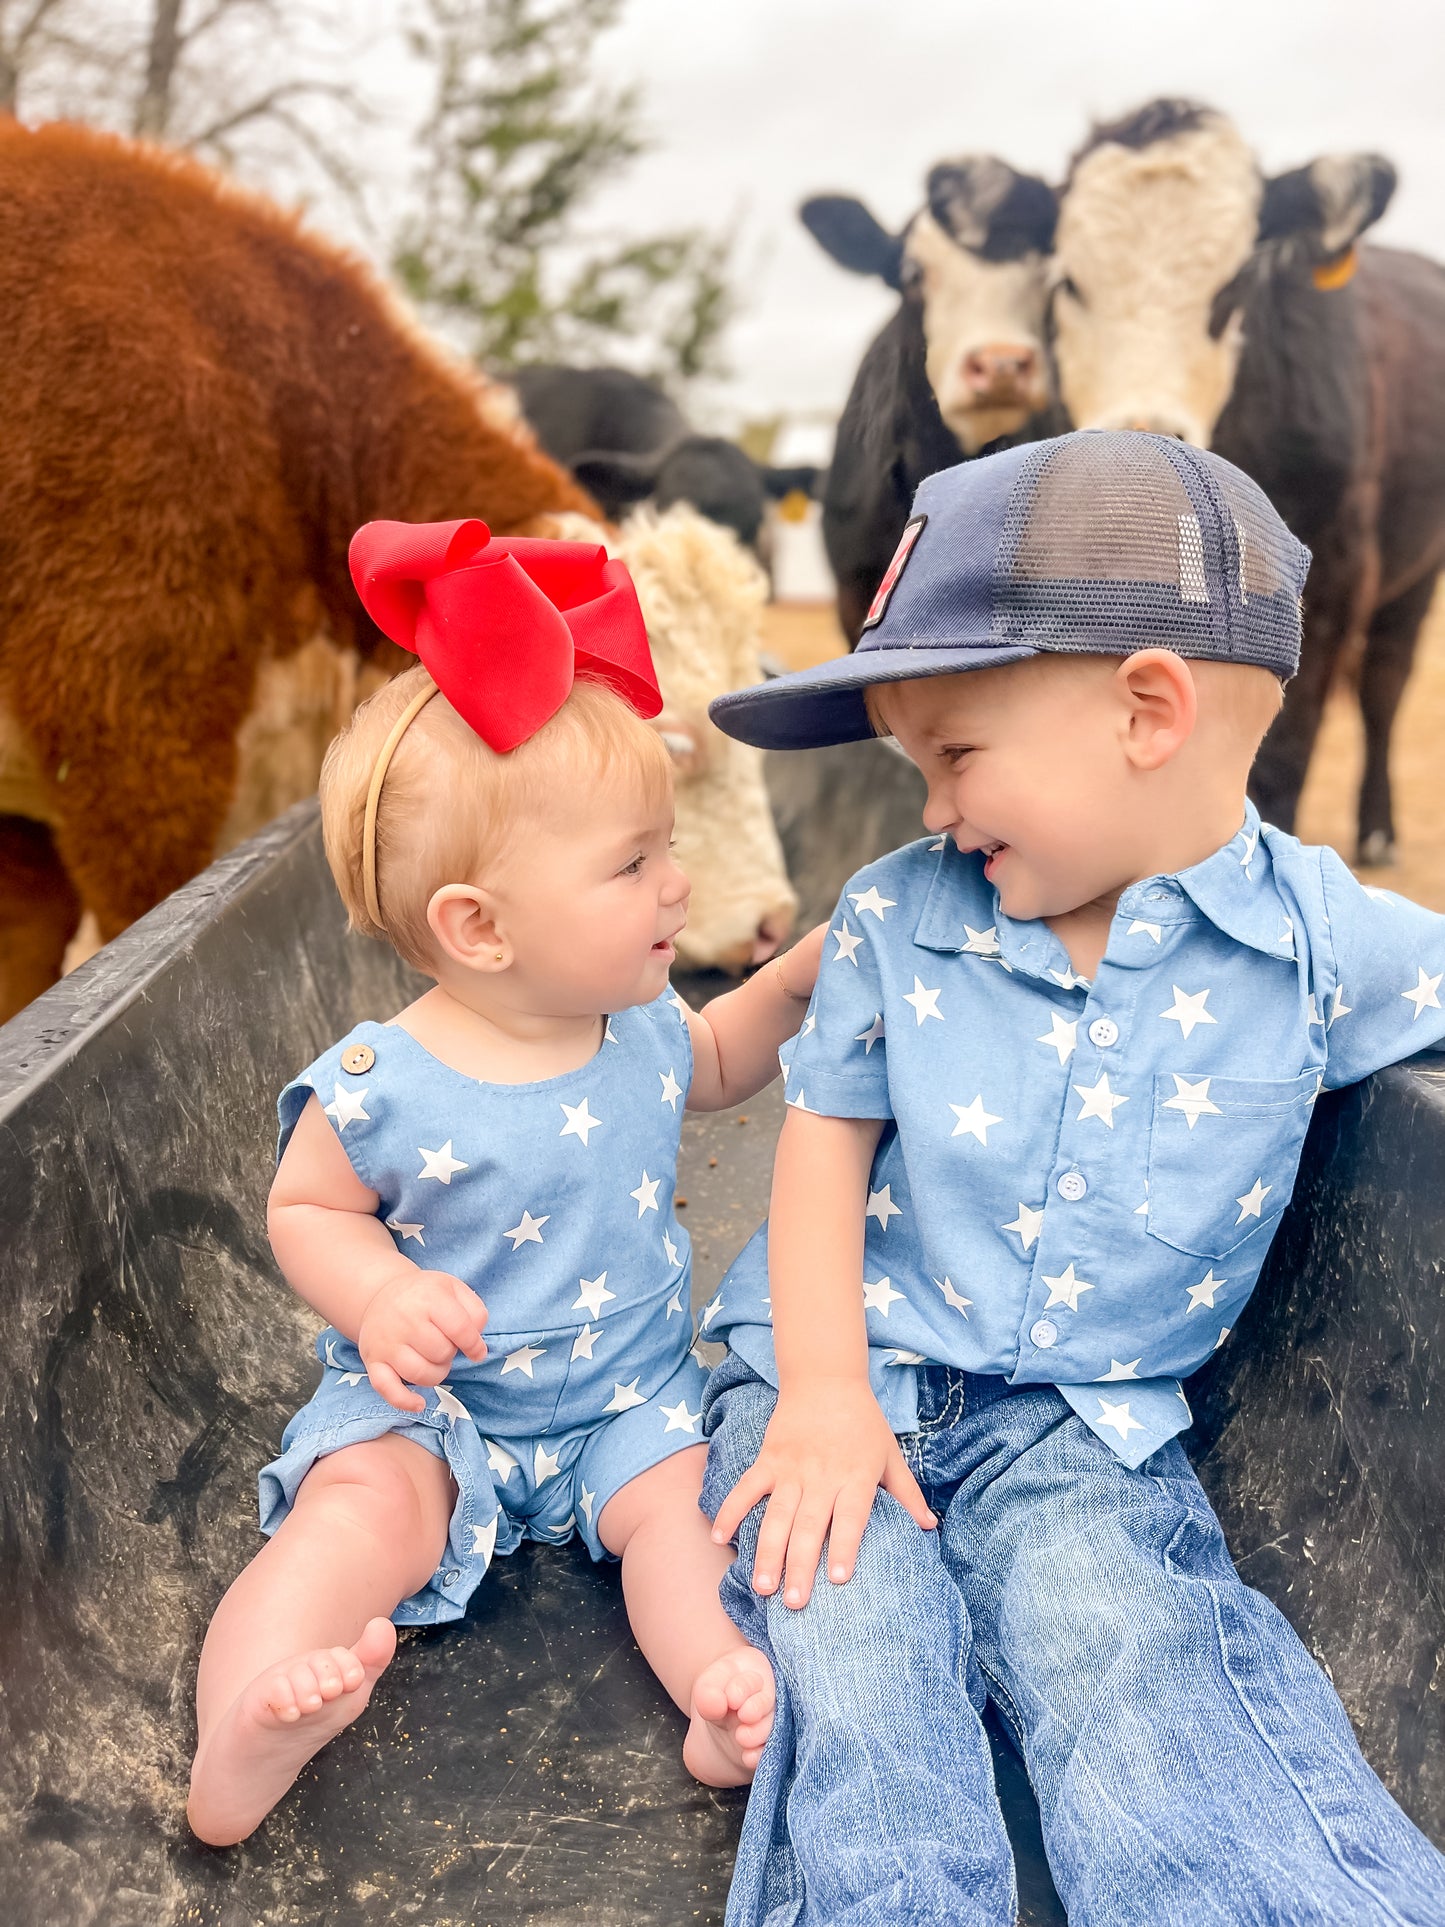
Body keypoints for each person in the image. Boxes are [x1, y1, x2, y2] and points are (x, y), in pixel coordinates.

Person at [700, 431, 1445, 1925]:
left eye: (955, 758)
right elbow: (819, 1148)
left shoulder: (1322, 943)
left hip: (1082, 1429)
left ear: (1147, 712)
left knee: (1127, 1653)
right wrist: (826, 1397)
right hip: (845, 1375)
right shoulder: (898, 918)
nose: (927, 812)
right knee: (855, 1665)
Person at [187, 519, 821, 1846]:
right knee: (355, 1516)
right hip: (438, 1403)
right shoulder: (385, 1080)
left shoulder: (644, 1020)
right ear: (478, 927)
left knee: (681, 1525)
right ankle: (248, 1718)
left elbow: (713, 1069)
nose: (677, 882)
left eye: (664, 847)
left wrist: (791, 984)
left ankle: (710, 1690)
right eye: (632, 862)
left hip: (623, 1400)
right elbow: (306, 1209)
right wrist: (378, 1297)